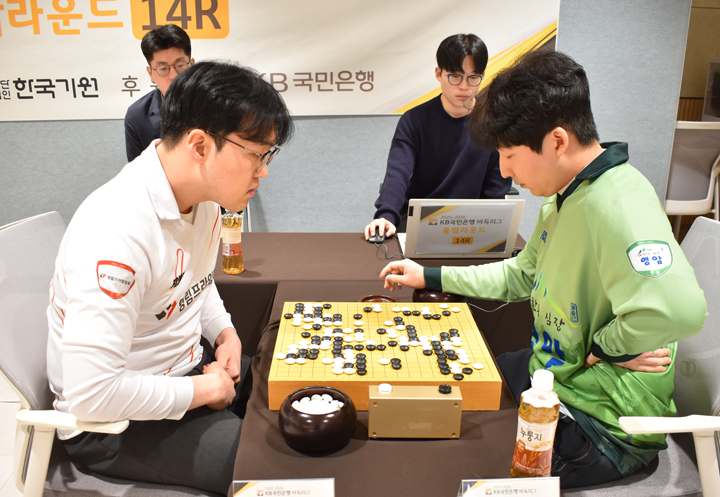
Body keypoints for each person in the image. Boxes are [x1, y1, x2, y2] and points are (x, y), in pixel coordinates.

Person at [379, 50, 707, 488]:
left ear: (556, 141)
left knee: (458, 463)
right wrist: (430, 276)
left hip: (602, 422)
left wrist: (607, 346)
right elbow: (522, 274)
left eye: (510, 155)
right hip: (553, 378)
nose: (504, 171)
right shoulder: (564, 196)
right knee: (453, 388)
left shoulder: (617, 202)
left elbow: (680, 310)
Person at [47, 61, 292, 495]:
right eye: (257, 154)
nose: (264, 171)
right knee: (277, 471)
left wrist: (225, 334)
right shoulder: (116, 230)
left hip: (188, 370)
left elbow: (195, 281)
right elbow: (92, 394)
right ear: (199, 145)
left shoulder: (204, 199)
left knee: (305, 393)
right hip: (114, 423)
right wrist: (203, 390)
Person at [364, 33, 511, 240]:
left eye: (473, 77)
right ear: (438, 73)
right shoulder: (414, 120)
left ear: (483, 75)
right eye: (455, 76)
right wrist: (386, 215)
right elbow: (397, 173)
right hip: (420, 222)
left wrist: (492, 230)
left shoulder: (494, 121)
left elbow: (497, 185)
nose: (464, 86)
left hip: (471, 225)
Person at [124, 24, 194, 162]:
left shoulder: (216, 104)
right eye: (163, 69)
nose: (174, 76)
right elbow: (137, 170)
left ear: (192, 65)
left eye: (180, 66)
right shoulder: (137, 116)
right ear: (151, 73)